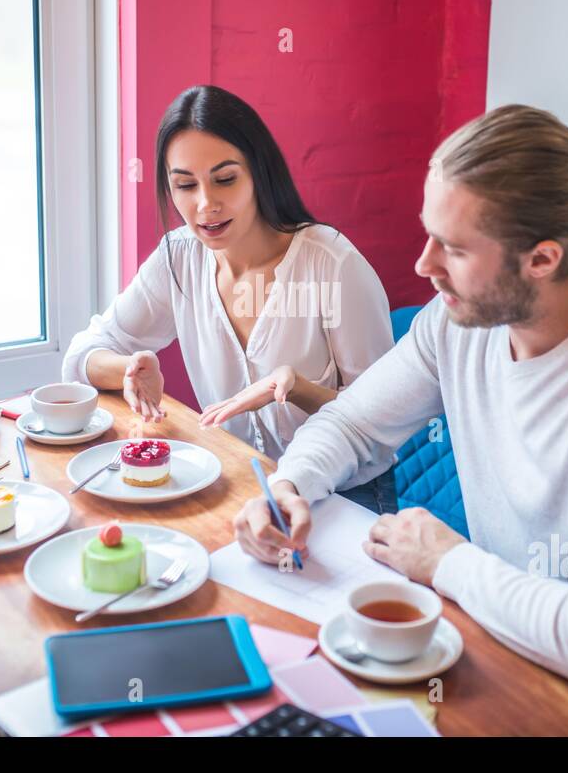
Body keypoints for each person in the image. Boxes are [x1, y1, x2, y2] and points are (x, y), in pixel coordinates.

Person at [234, 104, 568, 721]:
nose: (423, 265)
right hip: (511, 651)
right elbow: (353, 423)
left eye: (454, 248)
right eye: (428, 233)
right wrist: (288, 486)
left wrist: (448, 562)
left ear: (543, 260)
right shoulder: (456, 323)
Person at [62, 85, 398, 511]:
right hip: (239, 483)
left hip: (345, 494)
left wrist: (297, 390)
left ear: (259, 172)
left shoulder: (332, 265)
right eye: (185, 185)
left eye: (225, 179)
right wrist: (127, 368)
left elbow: (380, 423)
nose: (206, 205)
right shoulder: (178, 258)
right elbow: (81, 355)